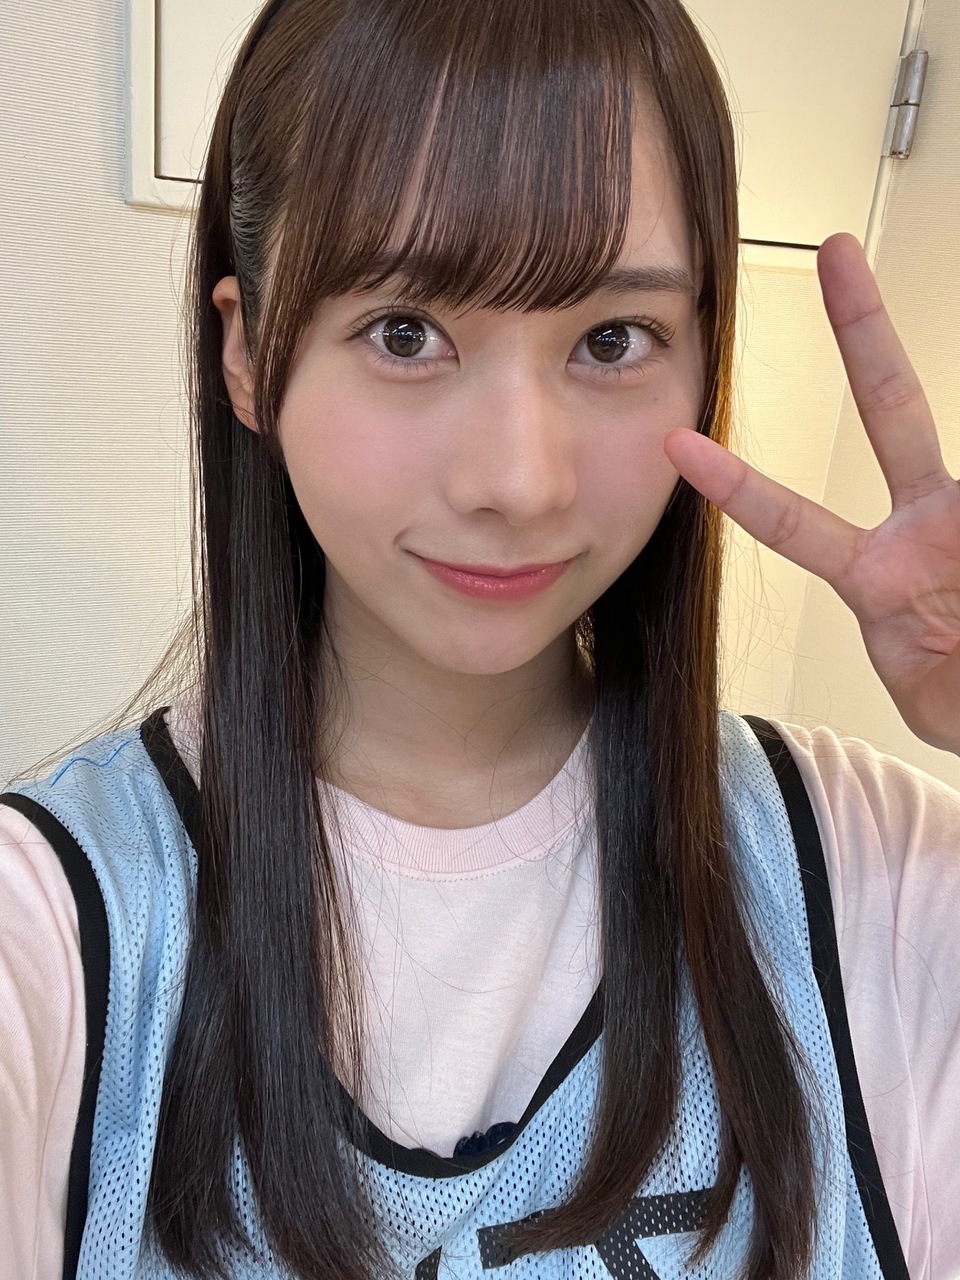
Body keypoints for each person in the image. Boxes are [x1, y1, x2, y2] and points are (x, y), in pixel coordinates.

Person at [1, 0, 958, 1275]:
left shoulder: (868, 876)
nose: (519, 479)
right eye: (406, 332)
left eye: (612, 340)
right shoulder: (59, 927)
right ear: (248, 354)